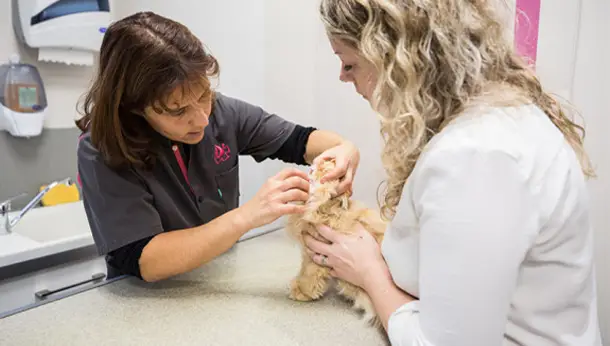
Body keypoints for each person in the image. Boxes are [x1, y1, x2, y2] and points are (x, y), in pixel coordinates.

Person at [304, 1, 602, 345]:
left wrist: (370, 273)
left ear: (390, 52)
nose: (343, 76)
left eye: (348, 62)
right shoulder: (498, 121)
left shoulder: (476, 155)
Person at [75, 11, 360, 283]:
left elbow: (301, 141)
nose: (201, 118)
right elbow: (146, 260)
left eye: (204, 95)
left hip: (218, 281)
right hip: (146, 300)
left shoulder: (223, 113)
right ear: (134, 107)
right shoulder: (101, 150)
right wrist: (248, 215)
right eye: (177, 111)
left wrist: (344, 149)